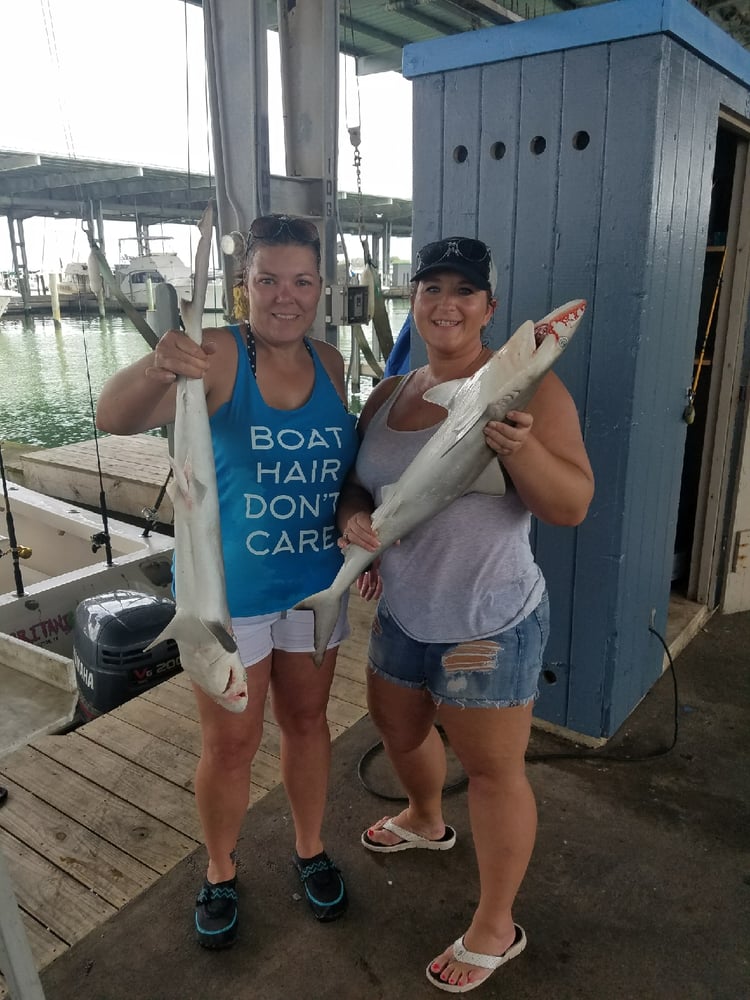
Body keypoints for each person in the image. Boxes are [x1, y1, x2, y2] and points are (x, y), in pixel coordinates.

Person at [336, 236, 594, 993]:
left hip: (485, 623)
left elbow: (570, 505)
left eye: (464, 291)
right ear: (412, 301)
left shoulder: (531, 391)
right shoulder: (389, 393)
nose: (445, 304)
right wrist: (354, 520)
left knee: (490, 771)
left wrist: (520, 452)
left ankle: (497, 924)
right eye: (431, 289)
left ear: (490, 308)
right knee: (399, 730)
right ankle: (424, 817)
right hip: (402, 615)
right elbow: (359, 485)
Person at [96, 214, 358, 948]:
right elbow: (111, 417)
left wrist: (354, 521)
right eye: (268, 279)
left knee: (307, 723)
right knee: (232, 745)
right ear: (244, 288)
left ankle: (309, 849)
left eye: (301, 280)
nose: (286, 295)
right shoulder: (215, 354)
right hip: (226, 596)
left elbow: (341, 475)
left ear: (320, 288)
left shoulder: (333, 363)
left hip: (314, 587)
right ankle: (218, 869)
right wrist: (156, 365)